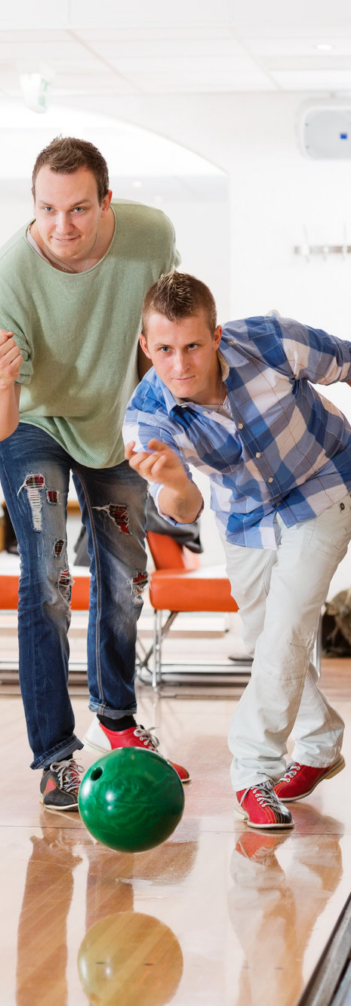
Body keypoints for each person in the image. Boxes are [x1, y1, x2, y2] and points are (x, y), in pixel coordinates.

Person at [0, 136, 189, 811]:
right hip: (32, 422)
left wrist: (161, 417)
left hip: (115, 418)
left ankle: (117, 723)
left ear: (106, 202)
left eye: (78, 209)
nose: (61, 227)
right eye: (46, 209)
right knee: (48, 575)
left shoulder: (149, 236)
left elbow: (159, 333)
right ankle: (55, 755)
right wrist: (4, 379)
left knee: (125, 577)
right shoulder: (8, 278)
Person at [124, 272, 351, 830]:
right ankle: (320, 746)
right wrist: (177, 480)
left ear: (218, 336)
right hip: (244, 512)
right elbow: (183, 508)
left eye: (194, 345)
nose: (180, 364)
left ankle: (253, 773)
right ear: (146, 347)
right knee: (264, 635)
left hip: (325, 481)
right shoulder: (147, 419)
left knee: (287, 629)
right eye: (165, 350)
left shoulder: (273, 342)